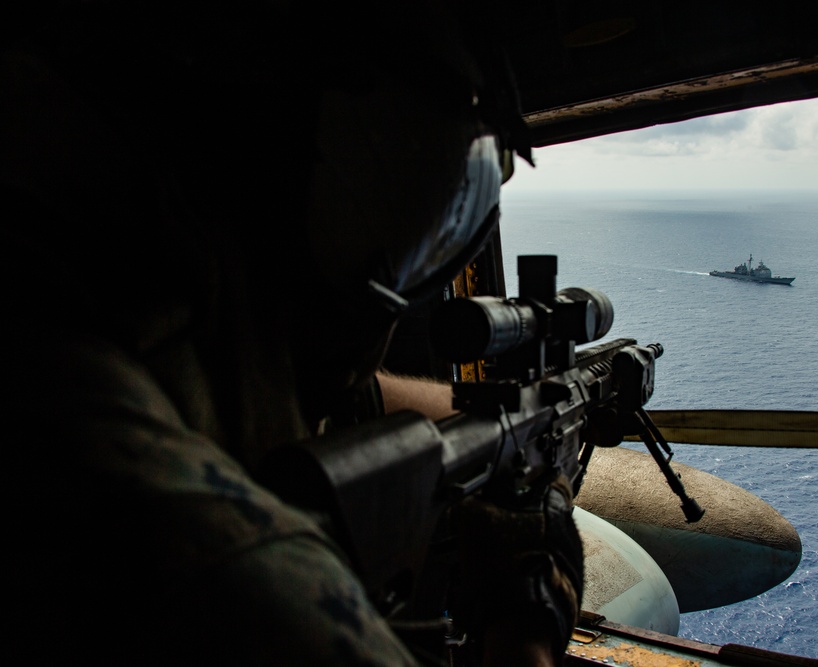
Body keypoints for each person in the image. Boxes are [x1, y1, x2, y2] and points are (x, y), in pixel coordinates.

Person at [1, 2, 582, 665]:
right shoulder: (224, 570)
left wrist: (505, 428)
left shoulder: (96, 289)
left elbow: (341, 393)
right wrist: (527, 630)